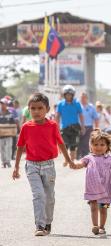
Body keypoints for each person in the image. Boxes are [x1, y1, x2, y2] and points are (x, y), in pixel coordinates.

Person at [12, 93, 73, 236]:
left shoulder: (52, 126)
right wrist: (16, 167)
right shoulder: (26, 127)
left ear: (47, 109)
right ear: (28, 110)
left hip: (48, 166)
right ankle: (39, 225)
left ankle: (47, 222)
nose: (36, 112)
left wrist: (69, 160)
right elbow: (20, 146)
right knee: (38, 195)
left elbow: (61, 143)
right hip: (32, 165)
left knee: (49, 197)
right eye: (33, 108)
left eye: (40, 108)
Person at [72, 129, 111, 236]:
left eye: (102, 145)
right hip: (93, 188)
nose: (99, 147)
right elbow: (81, 164)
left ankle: (102, 227)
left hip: (107, 190)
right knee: (93, 207)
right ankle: (95, 226)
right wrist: (75, 165)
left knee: (104, 208)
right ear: (91, 145)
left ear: (107, 146)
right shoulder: (89, 158)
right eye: (95, 144)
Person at [55, 85, 85, 166]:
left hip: (75, 128)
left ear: (73, 95)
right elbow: (57, 116)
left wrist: (82, 127)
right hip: (64, 128)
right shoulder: (60, 104)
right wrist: (56, 127)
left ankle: (72, 160)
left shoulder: (77, 103)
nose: (68, 96)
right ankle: (66, 159)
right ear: (64, 95)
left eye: (70, 94)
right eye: (67, 94)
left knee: (73, 145)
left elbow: (81, 115)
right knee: (65, 144)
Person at [78, 92, 99, 159]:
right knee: (78, 141)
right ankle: (78, 155)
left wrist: (96, 128)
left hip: (89, 127)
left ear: (87, 98)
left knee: (86, 142)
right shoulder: (77, 106)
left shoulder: (91, 107)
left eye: (84, 97)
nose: (83, 99)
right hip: (78, 126)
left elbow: (96, 118)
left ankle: (85, 156)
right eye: (81, 97)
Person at [0, 98, 18, 168]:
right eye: (1, 104)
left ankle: (8, 161)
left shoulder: (10, 113)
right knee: (1, 148)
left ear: (6, 104)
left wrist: (16, 129)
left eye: (3, 104)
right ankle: (3, 162)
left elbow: (14, 123)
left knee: (8, 148)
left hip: (9, 134)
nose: (2, 105)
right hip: (1, 135)